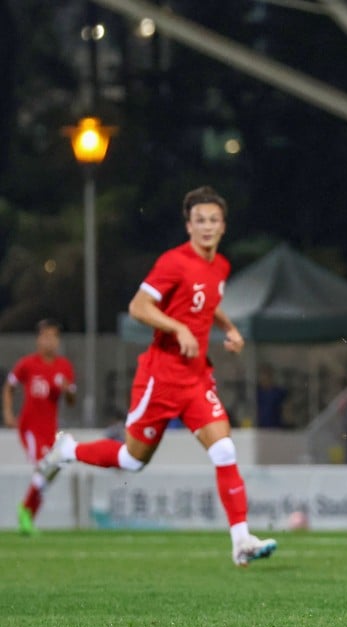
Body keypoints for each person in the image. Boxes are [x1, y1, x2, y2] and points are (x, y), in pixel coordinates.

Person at [37, 186, 276, 566]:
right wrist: (178, 329)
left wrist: (229, 328)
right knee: (132, 460)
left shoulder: (221, 266)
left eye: (214, 220)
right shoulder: (173, 262)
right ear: (189, 225)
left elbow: (205, 303)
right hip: (160, 377)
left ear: (223, 225)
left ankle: (241, 540)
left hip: (197, 377)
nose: (207, 226)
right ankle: (67, 450)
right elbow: (138, 306)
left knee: (224, 449)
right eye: (200, 220)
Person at [3, 319, 76, 536]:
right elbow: (9, 387)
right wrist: (8, 413)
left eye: (53, 336)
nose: (49, 341)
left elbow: (72, 400)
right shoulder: (27, 364)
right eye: (45, 336)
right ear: (38, 339)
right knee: (44, 467)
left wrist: (68, 391)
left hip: (49, 428)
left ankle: (27, 515)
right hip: (30, 428)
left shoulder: (64, 367)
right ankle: (25, 511)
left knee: (52, 470)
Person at [256, 363, 288, 428]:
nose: (264, 378)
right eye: (263, 375)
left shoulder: (279, 393)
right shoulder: (257, 393)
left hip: (276, 428)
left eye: (267, 375)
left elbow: (287, 410)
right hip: (260, 428)